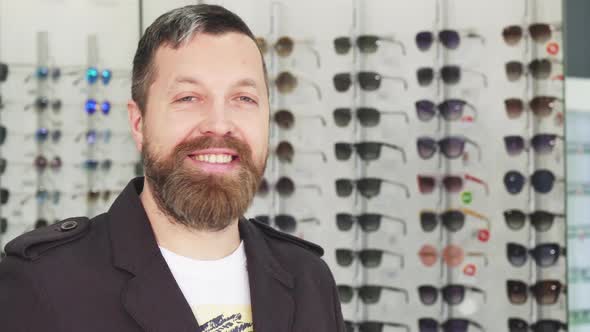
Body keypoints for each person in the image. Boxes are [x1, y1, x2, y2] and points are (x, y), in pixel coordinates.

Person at [0, 4, 345, 332]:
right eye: (188, 98)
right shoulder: (42, 283)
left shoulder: (309, 281)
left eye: (244, 99)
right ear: (139, 123)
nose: (219, 124)